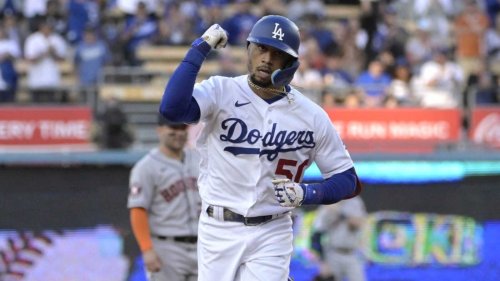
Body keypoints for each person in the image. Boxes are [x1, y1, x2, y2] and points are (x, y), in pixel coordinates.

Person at [159, 15, 362, 281]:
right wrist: (200, 47)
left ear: (291, 63)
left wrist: (307, 193)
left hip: (272, 227)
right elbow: (172, 109)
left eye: (277, 53)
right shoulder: (221, 90)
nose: (266, 58)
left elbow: (348, 180)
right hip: (218, 225)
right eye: (261, 48)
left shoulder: (311, 115)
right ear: (249, 50)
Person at [128, 115, 201, 281]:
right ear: (159, 130)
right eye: (173, 129)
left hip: (202, 245)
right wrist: (147, 249)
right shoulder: (145, 167)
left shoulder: (198, 159)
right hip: (167, 247)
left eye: (182, 128)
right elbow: (138, 210)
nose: (179, 133)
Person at [312, 196, 367, 281]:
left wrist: (340, 212)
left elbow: (358, 223)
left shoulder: (355, 201)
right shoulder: (328, 201)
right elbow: (317, 234)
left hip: (351, 253)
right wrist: (322, 261)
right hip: (333, 253)